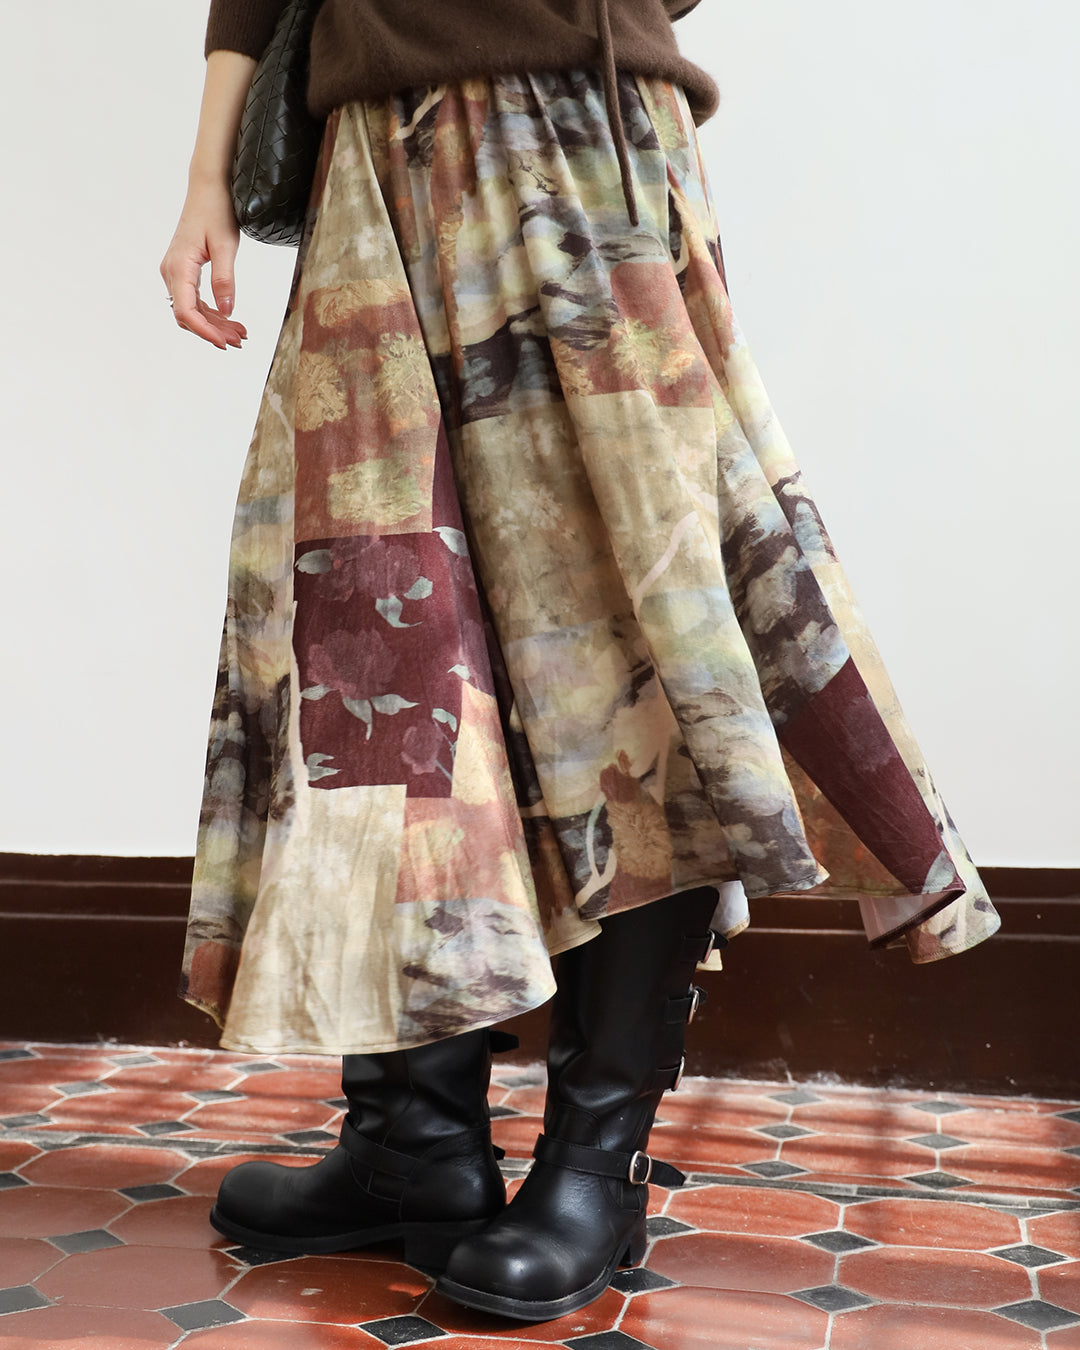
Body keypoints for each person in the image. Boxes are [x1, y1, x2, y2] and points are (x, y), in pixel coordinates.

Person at [160, 0, 1001, 1322]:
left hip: (576, 138)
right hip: (374, 156)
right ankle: (413, 1140)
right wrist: (207, 173)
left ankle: (594, 1163)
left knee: (631, 650)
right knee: (381, 632)